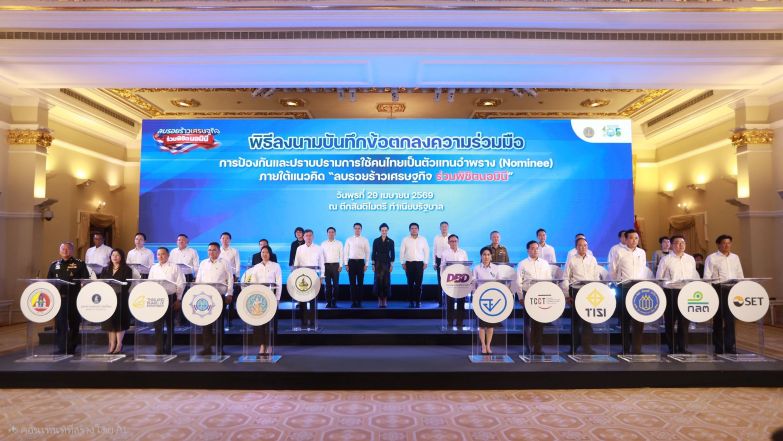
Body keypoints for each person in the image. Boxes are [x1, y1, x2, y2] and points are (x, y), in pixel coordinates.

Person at [656, 235, 699, 354]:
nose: (681, 245)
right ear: (672, 245)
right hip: (671, 292)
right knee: (670, 320)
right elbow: (659, 277)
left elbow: (694, 275)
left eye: (683, 243)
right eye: (678, 243)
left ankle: (682, 347)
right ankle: (672, 347)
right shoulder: (666, 259)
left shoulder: (690, 259)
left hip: (687, 292)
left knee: (684, 321)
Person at [47, 241, 91, 354]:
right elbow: (49, 282)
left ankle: (72, 347)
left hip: (74, 298)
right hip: (59, 299)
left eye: (67, 249)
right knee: (60, 324)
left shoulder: (80, 264)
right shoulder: (54, 265)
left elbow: (85, 280)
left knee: (74, 323)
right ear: (59, 251)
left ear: (72, 250)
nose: (65, 251)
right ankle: (62, 347)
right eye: (63, 249)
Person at [704, 234, 744, 354]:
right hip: (718, 288)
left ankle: (729, 346)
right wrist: (709, 293)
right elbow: (707, 276)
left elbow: (739, 274)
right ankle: (718, 346)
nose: (727, 245)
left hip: (732, 289)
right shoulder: (712, 258)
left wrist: (741, 287)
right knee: (718, 319)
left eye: (729, 243)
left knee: (730, 320)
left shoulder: (735, 257)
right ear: (718, 245)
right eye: (724, 243)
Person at [610, 230, 648, 354]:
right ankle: (625, 348)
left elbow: (643, 270)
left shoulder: (642, 252)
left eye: (636, 238)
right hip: (624, 287)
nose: (634, 240)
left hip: (639, 288)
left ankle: (637, 348)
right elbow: (613, 270)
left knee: (639, 319)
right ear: (625, 239)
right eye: (631, 238)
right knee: (625, 320)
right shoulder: (619, 252)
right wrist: (618, 283)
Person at [564, 237, 601, 355]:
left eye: (585, 245)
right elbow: (566, 277)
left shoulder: (592, 259)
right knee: (575, 321)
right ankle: (573, 348)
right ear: (576, 247)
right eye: (580, 245)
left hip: (589, 292)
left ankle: (587, 347)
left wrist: (597, 290)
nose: (583, 247)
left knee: (587, 321)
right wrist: (566, 294)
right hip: (576, 291)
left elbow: (596, 276)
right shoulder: (571, 259)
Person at [195, 242, 233, 356]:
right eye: (209, 250)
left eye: (214, 250)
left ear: (219, 251)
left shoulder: (225, 262)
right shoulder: (203, 263)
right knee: (206, 323)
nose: (211, 252)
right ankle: (207, 348)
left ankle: (219, 348)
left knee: (219, 323)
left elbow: (230, 279)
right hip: (205, 297)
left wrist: (229, 293)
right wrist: (196, 292)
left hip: (219, 295)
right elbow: (198, 279)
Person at [100, 248, 140, 354]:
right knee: (110, 322)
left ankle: (119, 344)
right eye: (113, 255)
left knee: (119, 321)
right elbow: (102, 282)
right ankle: (112, 344)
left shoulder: (127, 269)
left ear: (121, 257)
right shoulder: (105, 269)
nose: (115, 257)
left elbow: (127, 284)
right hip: (108, 297)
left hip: (121, 297)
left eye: (117, 255)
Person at [517, 240, 553, 356]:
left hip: (541, 295)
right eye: (532, 248)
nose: (535, 250)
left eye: (537, 248)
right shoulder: (522, 264)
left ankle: (538, 348)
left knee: (539, 323)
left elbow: (549, 279)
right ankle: (529, 347)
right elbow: (518, 282)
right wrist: (520, 297)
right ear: (528, 250)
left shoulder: (544, 263)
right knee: (528, 322)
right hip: (528, 294)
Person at [244, 246, 282, 355]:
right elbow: (253, 283)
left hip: (271, 297)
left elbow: (279, 284)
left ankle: (270, 345)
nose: (264, 254)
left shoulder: (276, 266)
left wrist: (277, 298)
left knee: (271, 323)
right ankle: (261, 345)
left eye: (266, 252)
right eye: (262, 252)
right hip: (259, 298)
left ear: (270, 254)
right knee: (259, 323)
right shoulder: (256, 267)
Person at [148, 247, 185, 355]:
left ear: (168, 255)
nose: (160, 256)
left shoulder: (175, 267)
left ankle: (169, 347)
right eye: (158, 254)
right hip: (157, 298)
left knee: (170, 324)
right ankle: (159, 348)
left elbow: (181, 283)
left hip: (170, 297)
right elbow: (150, 283)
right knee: (157, 325)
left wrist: (178, 299)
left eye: (163, 254)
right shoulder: (154, 268)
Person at [293, 229, 325, 328]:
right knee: (302, 300)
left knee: (313, 301)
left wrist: (322, 276)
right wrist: (295, 275)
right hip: (302, 277)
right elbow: (296, 263)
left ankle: (312, 321)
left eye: (310, 235)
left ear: (313, 237)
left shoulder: (318, 248)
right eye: (306, 235)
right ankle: (303, 321)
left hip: (314, 277)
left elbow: (322, 263)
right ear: (303, 237)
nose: (308, 237)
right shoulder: (299, 248)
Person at [473, 246, 500, 355]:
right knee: (481, 324)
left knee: (490, 325)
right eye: (484, 254)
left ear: (491, 256)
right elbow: (473, 283)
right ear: (481, 256)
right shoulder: (476, 268)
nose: (486, 257)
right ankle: (483, 345)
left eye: (488, 255)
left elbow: (499, 282)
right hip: (480, 298)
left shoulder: (496, 268)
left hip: (492, 298)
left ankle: (488, 345)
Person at [441, 234, 468, 328]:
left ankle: (460, 322)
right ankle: (450, 322)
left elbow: (466, 266)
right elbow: (442, 267)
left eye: (455, 241)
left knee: (461, 302)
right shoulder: (445, 253)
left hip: (461, 280)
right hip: (450, 281)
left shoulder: (463, 252)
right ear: (448, 242)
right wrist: (442, 279)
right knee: (450, 302)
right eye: (451, 241)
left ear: (458, 242)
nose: (453, 243)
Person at [400, 222, 429, 308]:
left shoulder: (423, 239)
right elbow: (402, 251)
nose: (414, 230)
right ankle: (411, 301)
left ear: (418, 230)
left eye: (415, 228)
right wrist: (402, 262)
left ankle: (418, 301)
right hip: (409, 264)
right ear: (409, 230)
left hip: (419, 264)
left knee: (419, 284)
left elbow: (426, 251)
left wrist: (426, 262)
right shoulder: (405, 239)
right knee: (410, 283)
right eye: (412, 228)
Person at [344, 223, 370, 308]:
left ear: (361, 229)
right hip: (351, 263)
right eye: (356, 228)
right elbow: (346, 252)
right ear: (353, 229)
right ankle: (353, 301)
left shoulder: (365, 240)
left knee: (360, 283)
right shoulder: (349, 239)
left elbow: (367, 252)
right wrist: (346, 264)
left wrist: (366, 264)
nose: (357, 230)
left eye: (359, 228)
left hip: (361, 263)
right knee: (352, 283)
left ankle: (359, 301)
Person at [372, 223, 395, 308]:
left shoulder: (391, 241)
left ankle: (385, 300)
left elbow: (392, 254)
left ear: (387, 231)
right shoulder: (376, 240)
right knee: (378, 282)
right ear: (380, 231)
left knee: (386, 282)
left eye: (385, 230)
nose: (384, 232)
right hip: (378, 263)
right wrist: (373, 264)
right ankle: (379, 300)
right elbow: (373, 253)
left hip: (387, 263)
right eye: (382, 230)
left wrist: (391, 265)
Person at [321, 227, 343, 308]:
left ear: (335, 233)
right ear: (327, 233)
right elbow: (321, 256)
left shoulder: (339, 243)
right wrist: (322, 267)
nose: (331, 233)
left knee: (336, 285)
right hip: (326, 266)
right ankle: (328, 302)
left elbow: (341, 255)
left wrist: (341, 265)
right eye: (329, 232)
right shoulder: (323, 244)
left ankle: (334, 302)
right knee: (327, 285)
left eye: (332, 232)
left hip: (336, 266)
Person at [432, 221, 450, 307]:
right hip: (439, 260)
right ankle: (440, 301)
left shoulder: (451, 237)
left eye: (445, 226)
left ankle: (449, 301)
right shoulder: (436, 237)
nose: (444, 228)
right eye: (442, 226)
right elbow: (434, 251)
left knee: (449, 281)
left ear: (448, 227)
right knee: (440, 281)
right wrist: (434, 262)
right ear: (440, 228)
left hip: (449, 261)